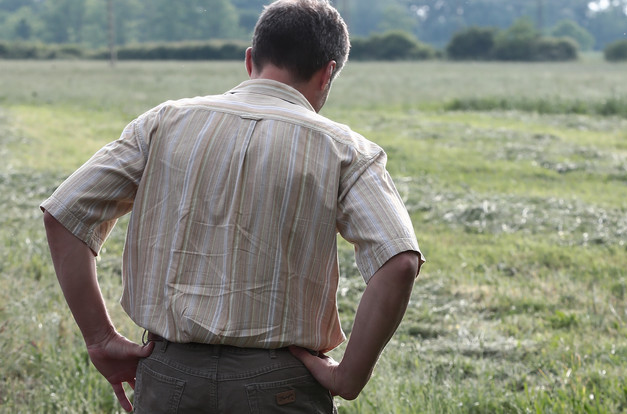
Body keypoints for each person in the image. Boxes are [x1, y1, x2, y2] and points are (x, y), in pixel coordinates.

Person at [41, 0, 424, 412]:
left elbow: (65, 213)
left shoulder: (162, 122)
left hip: (169, 376)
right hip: (282, 385)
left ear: (249, 60)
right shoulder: (346, 149)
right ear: (328, 72)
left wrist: (99, 337)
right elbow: (399, 262)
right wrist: (348, 376)